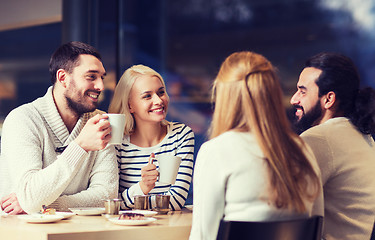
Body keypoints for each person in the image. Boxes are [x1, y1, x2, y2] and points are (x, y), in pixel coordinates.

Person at [189, 51, 323, 240]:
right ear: (273, 95)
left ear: (224, 97)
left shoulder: (216, 151)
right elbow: (316, 226)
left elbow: (204, 236)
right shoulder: (302, 150)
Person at [0, 41, 119, 214]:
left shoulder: (99, 121)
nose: (100, 86)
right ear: (63, 78)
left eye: (102, 77)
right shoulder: (23, 119)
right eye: (91, 76)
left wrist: (46, 206)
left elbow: (106, 196)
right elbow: (31, 197)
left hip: (79, 231)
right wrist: (80, 147)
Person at [290, 52, 375, 240]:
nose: (294, 99)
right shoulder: (364, 137)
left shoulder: (317, 139)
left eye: (303, 91)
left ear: (328, 99)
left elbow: (284, 209)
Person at [108, 64, 194, 211]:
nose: (159, 101)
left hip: (169, 229)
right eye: (147, 96)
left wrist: (135, 200)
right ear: (130, 106)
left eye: (161, 92)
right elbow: (111, 203)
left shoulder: (182, 135)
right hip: (127, 229)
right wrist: (143, 187)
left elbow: (176, 200)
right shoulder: (117, 144)